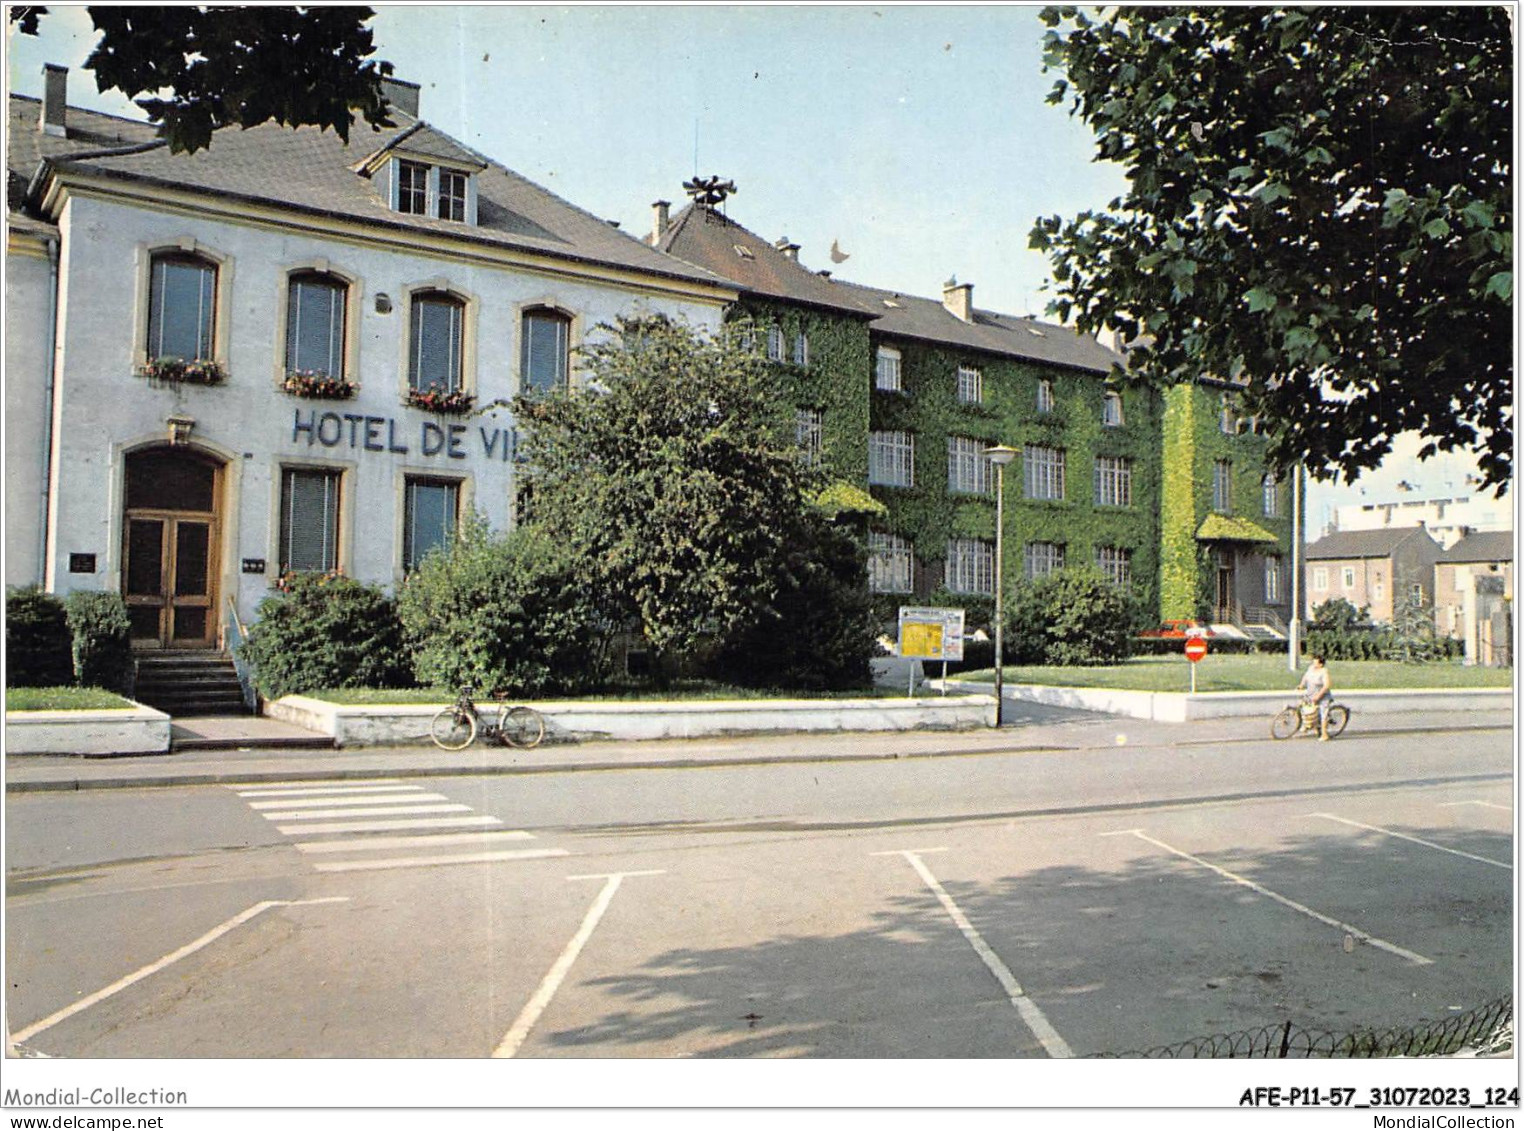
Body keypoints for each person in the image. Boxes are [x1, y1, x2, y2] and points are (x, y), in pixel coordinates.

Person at [1298, 654, 1333, 741]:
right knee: (1304, 708)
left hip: (1323, 695)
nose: (1313, 664)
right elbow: (1305, 677)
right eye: (1313, 662)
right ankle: (1307, 725)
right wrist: (1301, 685)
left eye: (1316, 663)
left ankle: (1325, 735)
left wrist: (1318, 696)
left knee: (1323, 714)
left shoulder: (1324, 671)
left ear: (1321, 664)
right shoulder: (1311, 668)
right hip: (1311, 693)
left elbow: (1327, 686)